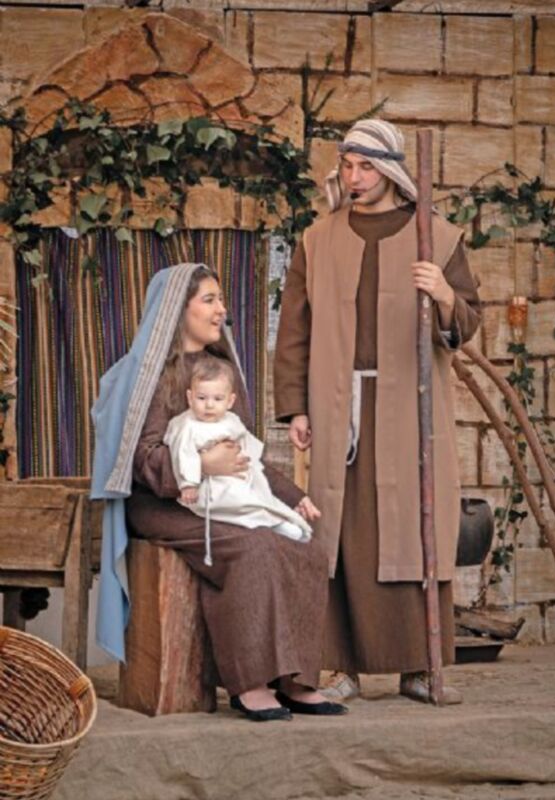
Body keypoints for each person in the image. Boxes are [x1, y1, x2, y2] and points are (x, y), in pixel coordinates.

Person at [274, 119, 482, 704]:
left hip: (410, 409)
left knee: (414, 531)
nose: (354, 176)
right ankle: (339, 666)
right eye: (347, 164)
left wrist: (443, 293)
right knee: (339, 532)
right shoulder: (318, 238)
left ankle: (420, 666)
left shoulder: (436, 237)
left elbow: (464, 324)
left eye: (366, 166)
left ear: (390, 169)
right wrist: (293, 407)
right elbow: (294, 330)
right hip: (335, 402)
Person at [92, 262, 347, 721]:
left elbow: (251, 455)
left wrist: (291, 498)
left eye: (221, 300)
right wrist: (201, 466)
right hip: (168, 503)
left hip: (231, 497)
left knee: (306, 549)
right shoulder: (150, 375)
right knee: (252, 549)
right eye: (208, 300)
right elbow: (137, 456)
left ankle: (295, 678)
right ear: (177, 309)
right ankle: (249, 682)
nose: (220, 310)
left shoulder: (223, 374)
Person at [164, 354, 313, 563]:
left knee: (261, 492)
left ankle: (282, 519)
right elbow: (183, 453)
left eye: (217, 399)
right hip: (209, 486)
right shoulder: (187, 426)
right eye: (201, 398)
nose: (209, 406)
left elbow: (248, 447)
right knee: (237, 499)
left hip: (238, 474)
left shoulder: (231, 420)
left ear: (230, 401)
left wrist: (249, 466)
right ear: (190, 397)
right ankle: (270, 524)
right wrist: (188, 484)